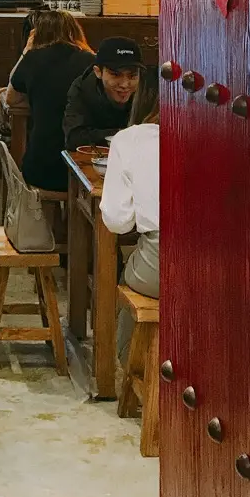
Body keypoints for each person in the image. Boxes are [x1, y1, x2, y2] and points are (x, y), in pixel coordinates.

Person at [99, 67, 160, 359]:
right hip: (224, 265)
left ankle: (132, 365)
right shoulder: (219, 132)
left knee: (128, 278)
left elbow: (118, 222)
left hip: (159, 264)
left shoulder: (129, 139)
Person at [4, 10, 95, 192]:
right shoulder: (91, 61)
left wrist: (26, 52)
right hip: (84, 169)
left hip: (42, 169)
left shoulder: (33, 58)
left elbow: (11, 99)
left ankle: (49, 210)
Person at [62, 37, 143, 152]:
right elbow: (74, 138)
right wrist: (124, 134)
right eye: (116, 75)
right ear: (98, 72)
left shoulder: (150, 89)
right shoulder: (83, 88)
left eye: (132, 76)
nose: (125, 84)